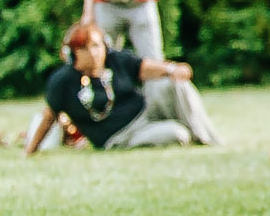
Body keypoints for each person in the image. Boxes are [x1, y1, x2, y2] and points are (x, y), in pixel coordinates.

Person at [27, 21, 219, 151]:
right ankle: (187, 133)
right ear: (73, 53)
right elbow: (48, 117)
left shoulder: (115, 60)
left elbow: (144, 67)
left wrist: (172, 68)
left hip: (145, 113)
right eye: (85, 48)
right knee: (178, 134)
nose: (93, 53)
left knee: (175, 84)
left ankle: (206, 137)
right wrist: (31, 150)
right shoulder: (63, 81)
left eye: (97, 46)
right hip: (120, 137)